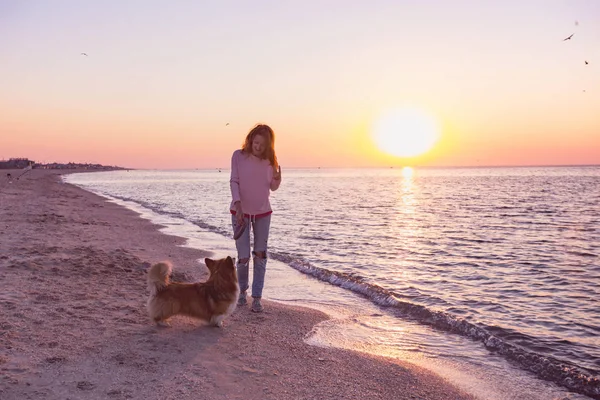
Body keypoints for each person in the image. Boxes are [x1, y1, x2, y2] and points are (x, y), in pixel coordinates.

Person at [230, 124, 282, 313]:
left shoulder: (270, 161)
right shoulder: (238, 156)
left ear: (268, 145)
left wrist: (277, 179)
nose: (257, 146)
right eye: (255, 142)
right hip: (240, 212)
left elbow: (273, 187)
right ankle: (242, 292)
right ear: (250, 139)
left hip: (262, 213)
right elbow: (234, 180)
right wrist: (238, 205)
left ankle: (257, 297)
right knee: (243, 256)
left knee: (260, 255)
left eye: (262, 144)